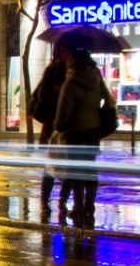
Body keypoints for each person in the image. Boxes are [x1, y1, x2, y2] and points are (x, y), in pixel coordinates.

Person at [50, 35, 117, 220]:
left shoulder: (71, 82)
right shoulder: (96, 77)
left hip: (75, 133)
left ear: (73, 62)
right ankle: (90, 205)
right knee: (90, 169)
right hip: (93, 130)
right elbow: (109, 99)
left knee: (77, 172)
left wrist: (58, 128)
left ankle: (78, 207)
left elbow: (63, 112)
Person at [29, 44, 69, 213]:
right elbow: (42, 95)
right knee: (51, 167)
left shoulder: (74, 71)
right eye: (63, 50)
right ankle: (45, 201)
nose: (66, 53)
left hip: (69, 127)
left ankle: (63, 201)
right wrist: (58, 91)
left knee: (69, 168)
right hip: (53, 126)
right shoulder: (52, 71)